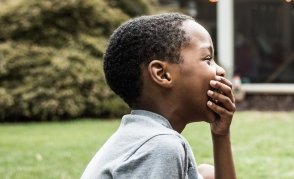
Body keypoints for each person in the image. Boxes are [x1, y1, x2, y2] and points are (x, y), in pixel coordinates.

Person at [81, 13, 237, 179]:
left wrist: (221, 135)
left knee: (207, 173)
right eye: (207, 58)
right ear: (163, 74)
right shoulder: (160, 146)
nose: (220, 70)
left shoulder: (144, 136)